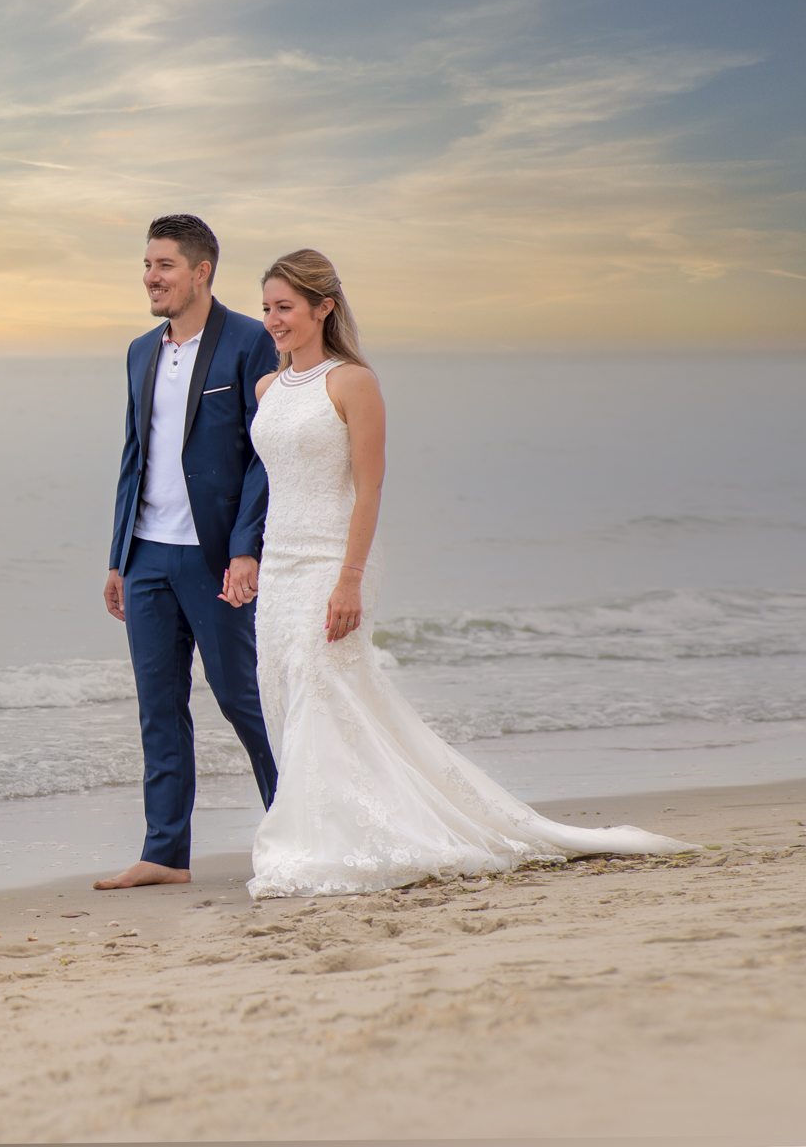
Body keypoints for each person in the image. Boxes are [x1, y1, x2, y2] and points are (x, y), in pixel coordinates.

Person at [246, 249, 694, 897]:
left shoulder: (353, 383)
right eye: (266, 308)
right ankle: (327, 830)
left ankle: (322, 847)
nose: (273, 320)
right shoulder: (267, 389)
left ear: (324, 308)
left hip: (331, 563)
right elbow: (271, 485)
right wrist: (250, 559)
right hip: (281, 566)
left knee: (321, 688)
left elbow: (368, 490)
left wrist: (348, 579)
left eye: (284, 307)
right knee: (286, 695)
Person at [98, 215, 281, 890]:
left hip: (214, 558)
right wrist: (119, 555)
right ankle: (165, 853)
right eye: (148, 264)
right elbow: (133, 455)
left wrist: (246, 550)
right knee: (158, 705)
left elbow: (267, 455)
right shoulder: (140, 350)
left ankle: (294, 827)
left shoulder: (250, 341)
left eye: (165, 265)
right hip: (147, 556)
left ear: (201, 272)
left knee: (241, 697)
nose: (151, 276)